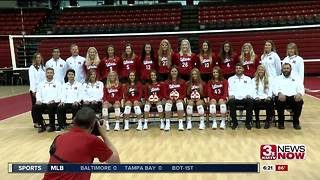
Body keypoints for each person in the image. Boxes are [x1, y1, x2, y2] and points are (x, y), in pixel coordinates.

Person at [43, 107, 120, 180]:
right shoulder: (92, 140)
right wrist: (104, 135)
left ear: (74, 120)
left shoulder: (59, 138)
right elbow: (116, 164)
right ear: (93, 124)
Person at [273, 63, 304, 130]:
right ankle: (281, 122)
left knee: (300, 101)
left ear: (290, 69)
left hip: (294, 97)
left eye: (287, 68)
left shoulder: (296, 78)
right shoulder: (277, 78)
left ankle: (296, 122)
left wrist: (299, 94)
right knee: (279, 101)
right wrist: (279, 93)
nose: (286, 70)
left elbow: (301, 88)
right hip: (282, 96)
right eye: (284, 68)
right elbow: (274, 89)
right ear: (282, 69)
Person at [33, 67, 61, 133]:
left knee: (50, 106)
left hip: (54, 103)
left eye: (51, 73)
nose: (49, 74)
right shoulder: (41, 83)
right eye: (48, 73)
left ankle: (52, 125)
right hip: (43, 102)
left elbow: (60, 95)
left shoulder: (58, 83)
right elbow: (38, 94)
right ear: (45, 74)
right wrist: (39, 100)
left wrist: (54, 100)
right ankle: (41, 125)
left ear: (53, 74)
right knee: (35, 107)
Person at [228, 63, 254, 130]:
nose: (238, 69)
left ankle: (248, 122)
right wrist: (231, 95)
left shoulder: (248, 79)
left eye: (240, 68)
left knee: (250, 101)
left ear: (243, 69)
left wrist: (249, 95)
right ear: (235, 70)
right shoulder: (230, 79)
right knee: (231, 101)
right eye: (237, 68)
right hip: (235, 98)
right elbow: (229, 89)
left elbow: (251, 89)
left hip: (245, 98)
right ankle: (234, 122)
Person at [163, 66, 186, 131]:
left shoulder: (182, 81)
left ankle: (180, 123)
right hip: (169, 99)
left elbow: (184, 94)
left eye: (175, 71)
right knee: (168, 103)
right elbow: (165, 94)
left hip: (179, 99)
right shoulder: (166, 82)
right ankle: (167, 123)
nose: (174, 72)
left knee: (179, 103)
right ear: (170, 72)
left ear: (178, 72)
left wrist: (178, 97)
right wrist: (170, 98)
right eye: (172, 71)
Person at [252, 65, 273, 129]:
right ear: (257, 71)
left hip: (266, 97)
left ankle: (267, 120)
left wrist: (269, 96)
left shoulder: (269, 79)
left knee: (269, 102)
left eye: (262, 70)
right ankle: (257, 120)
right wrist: (256, 97)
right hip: (258, 97)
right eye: (259, 70)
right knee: (256, 103)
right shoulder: (253, 80)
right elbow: (253, 90)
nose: (260, 71)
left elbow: (270, 89)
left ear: (264, 71)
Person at [28, 52, 45, 128]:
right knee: (35, 106)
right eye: (37, 57)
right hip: (35, 90)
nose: (38, 59)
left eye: (39, 57)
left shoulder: (43, 67)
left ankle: (40, 120)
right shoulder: (32, 68)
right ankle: (35, 122)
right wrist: (33, 91)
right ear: (34, 59)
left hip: (42, 90)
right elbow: (32, 80)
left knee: (40, 106)